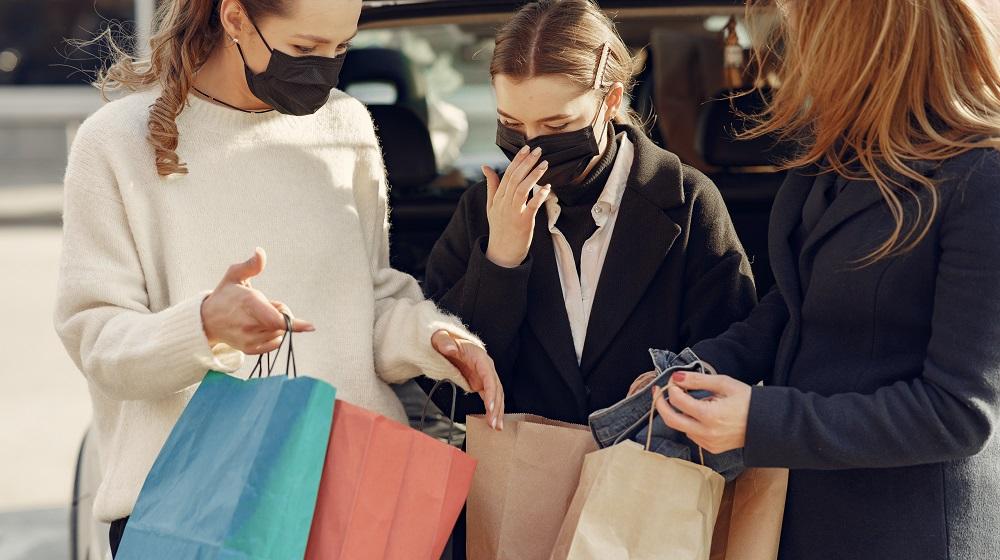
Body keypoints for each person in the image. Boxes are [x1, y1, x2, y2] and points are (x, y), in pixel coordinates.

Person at [53, 0, 505, 555]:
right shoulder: (116, 143)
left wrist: (433, 337)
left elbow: (372, 299)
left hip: (354, 494)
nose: (323, 70)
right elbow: (97, 342)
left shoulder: (347, 127)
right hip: (197, 508)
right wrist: (205, 326)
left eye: (340, 50)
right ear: (235, 18)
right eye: (304, 49)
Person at [640, 1, 1000, 558]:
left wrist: (760, 420)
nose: (793, 52)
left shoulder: (981, 180)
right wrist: (703, 369)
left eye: (806, 31)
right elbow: (796, 303)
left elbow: (957, 414)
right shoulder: (842, 150)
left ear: (865, 41)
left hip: (910, 533)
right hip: (806, 516)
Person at [423, 0, 757, 425]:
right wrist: (500, 264)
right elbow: (451, 396)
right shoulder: (481, 210)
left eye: (557, 126)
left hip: (652, 477)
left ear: (612, 100)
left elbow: (731, 362)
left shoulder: (688, 201)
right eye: (511, 123)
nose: (530, 145)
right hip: (515, 481)